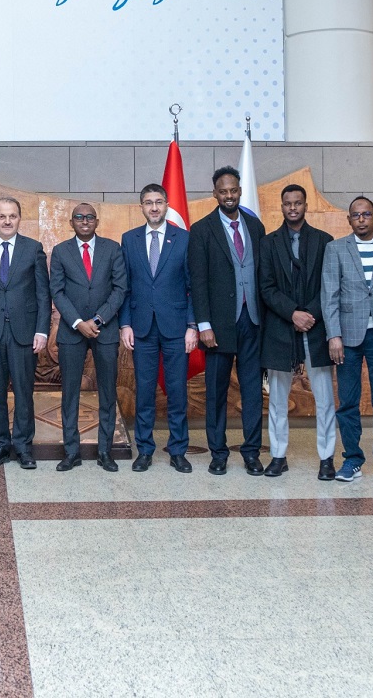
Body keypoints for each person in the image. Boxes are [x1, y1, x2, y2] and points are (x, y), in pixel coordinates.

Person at [189, 166, 266, 476]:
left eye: (233, 190)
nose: (229, 195)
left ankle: (251, 452)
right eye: (223, 191)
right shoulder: (201, 229)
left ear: (240, 191)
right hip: (218, 326)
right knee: (216, 392)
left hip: (253, 321)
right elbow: (198, 281)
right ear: (215, 194)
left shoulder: (255, 226)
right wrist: (203, 325)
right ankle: (218, 453)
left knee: (252, 391)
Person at [257, 184, 334, 479]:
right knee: (277, 400)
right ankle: (278, 456)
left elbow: (329, 285)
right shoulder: (268, 243)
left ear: (305, 205)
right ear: (281, 206)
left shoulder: (324, 241)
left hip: (316, 329)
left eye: (298, 203)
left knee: (324, 399)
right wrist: (292, 313)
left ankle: (326, 458)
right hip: (280, 328)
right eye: (288, 203)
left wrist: (309, 314)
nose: (293, 208)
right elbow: (266, 287)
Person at [119, 184, 198, 473]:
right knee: (144, 392)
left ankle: (178, 450)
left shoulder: (184, 238)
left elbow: (193, 286)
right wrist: (125, 323)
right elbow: (124, 286)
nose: (154, 207)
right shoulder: (129, 239)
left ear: (166, 205)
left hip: (176, 327)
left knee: (177, 392)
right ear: (141, 206)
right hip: (141, 328)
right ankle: (145, 450)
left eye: (159, 202)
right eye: (148, 202)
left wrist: (192, 325)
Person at [321, 197, 373, 485]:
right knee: (348, 402)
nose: (362, 219)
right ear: (349, 219)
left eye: (367, 214)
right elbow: (329, 296)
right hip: (347, 337)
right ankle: (352, 459)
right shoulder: (335, 249)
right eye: (356, 215)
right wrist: (333, 335)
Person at [0, 197, 51, 470]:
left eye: (12, 216)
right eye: (2, 216)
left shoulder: (33, 249)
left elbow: (43, 294)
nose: (7, 221)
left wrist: (42, 330)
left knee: (23, 392)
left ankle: (23, 448)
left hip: (25, 332)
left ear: (19, 218)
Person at [49, 203, 128, 472]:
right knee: (69, 393)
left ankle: (105, 451)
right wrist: (78, 323)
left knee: (107, 392)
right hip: (72, 331)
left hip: (105, 329)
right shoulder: (61, 251)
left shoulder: (112, 249)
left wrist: (97, 319)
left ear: (97, 221)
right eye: (79, 217)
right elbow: (57, 291)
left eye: (89, 217)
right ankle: (71, 452)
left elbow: (120, 288)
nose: (84, 221)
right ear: (71, 222)